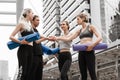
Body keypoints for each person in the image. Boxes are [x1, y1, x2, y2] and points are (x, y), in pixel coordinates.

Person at [52, 13, 102, 80]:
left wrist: (92, 45)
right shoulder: (79, 30)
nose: (77, 21)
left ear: (83, 19)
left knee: (92, 73)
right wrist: (57, 38)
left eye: (78, 19)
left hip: (89, 51)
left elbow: (100, 38)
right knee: (83, 74)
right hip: (81, 52)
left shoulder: (91, 27)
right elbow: (68, 39)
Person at [9, 8, 34, 80]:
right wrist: (20, 42)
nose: (33, 15)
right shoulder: (21, 24)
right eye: (32, 13)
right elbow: (11, 36)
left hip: (31, 50)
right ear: (28, 13)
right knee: (23, 73)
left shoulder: (30, 26)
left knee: (28, 74)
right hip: (23, 50)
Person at [30, 15, 48, 80]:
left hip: (39, 55)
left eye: (39, 20)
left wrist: (48, 38)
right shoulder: (30, 30)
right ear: (32, 21)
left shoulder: (36, 30)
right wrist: (46, 38)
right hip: (34, 55)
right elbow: (36, 42)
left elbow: (41, 37)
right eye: (37, 20)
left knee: (39, 76)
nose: (39, 22)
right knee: (33, 75)